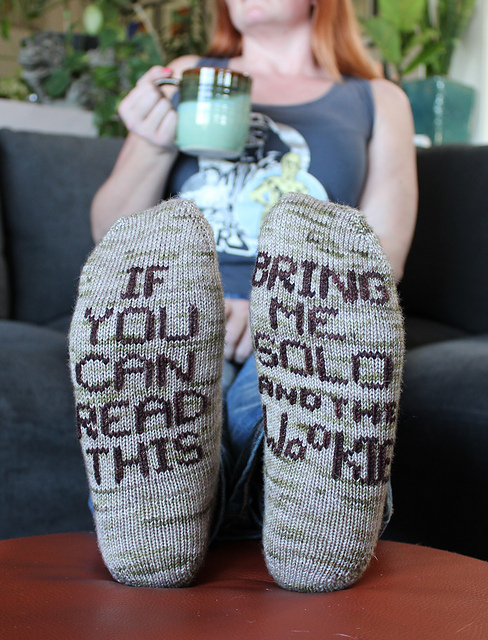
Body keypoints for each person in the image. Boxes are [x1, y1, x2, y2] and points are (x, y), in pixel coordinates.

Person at [69, 0, 417, 592]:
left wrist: (273, 310)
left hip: (314, 306)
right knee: (179, 364)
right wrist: (153, 142)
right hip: (175, 306)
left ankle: (165, 512)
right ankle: (310, 515)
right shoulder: (185, 74)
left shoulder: (377, 98)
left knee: (279, 380)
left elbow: (384, 249)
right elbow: (113, 234)